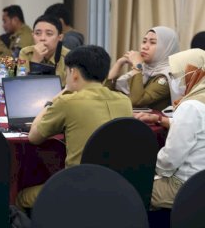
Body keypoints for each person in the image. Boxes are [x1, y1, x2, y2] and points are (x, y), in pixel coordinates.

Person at [16, 45, 133, 209]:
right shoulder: (124, 101)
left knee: (21, 197)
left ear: (74, 73)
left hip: (76, 187)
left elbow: (33, 137)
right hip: (116, 186)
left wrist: (54, 99)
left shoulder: (68, 102)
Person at [134, 48, 205, 209]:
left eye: (178, 75)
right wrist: (162, 119)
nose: (174, 80)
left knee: (131, 187)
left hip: (186, 186)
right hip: (200, 182)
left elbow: (170, 160)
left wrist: (152, 170)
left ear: (194, 73)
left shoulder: (190, 107)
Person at [106, 26, 179, 111]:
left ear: (166, 48)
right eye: (144, 41)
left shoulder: (168, 76)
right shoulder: (144, 70)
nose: (144, 47)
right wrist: (118, 64)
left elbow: (137, 101)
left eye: (152, 43)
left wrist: (137, 66)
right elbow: (105, 94)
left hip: (152, 123)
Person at [17, 14, 69, 86]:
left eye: (49, 34)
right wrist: (35, 62)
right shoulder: (25, 53)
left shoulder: (69, 56)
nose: (42, 38)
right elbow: (22, 86)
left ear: (60, 37)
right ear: (33, 36)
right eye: (38, 33)